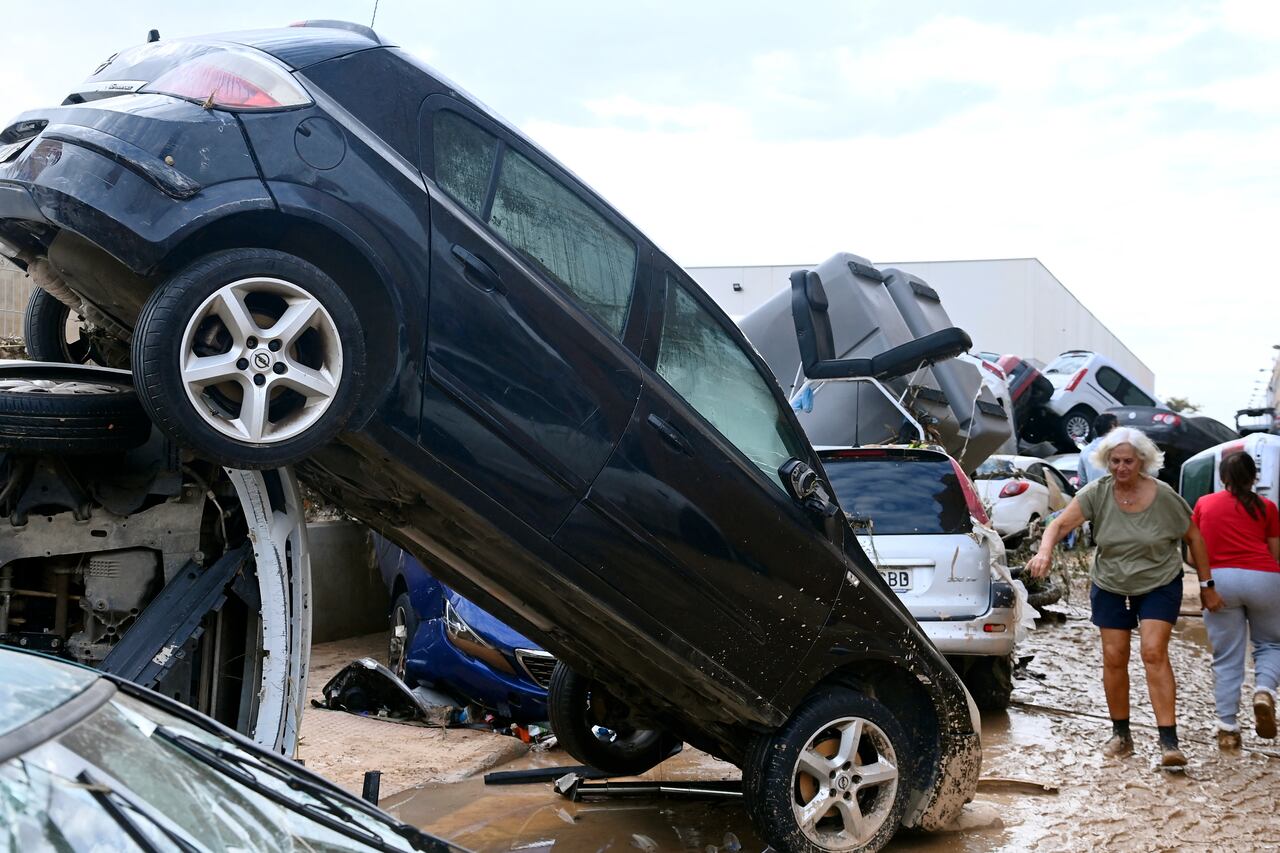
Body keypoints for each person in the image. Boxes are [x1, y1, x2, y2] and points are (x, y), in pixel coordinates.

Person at [1028, 426, 1219, 766]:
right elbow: (1057, 525)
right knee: (1114, 657)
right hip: (1111, 583)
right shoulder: (1097, 493)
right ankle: (1121, 735)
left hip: (1159, 581)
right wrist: (1044, 552)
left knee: (1153, 652)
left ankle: (1169, 743)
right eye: (1114, 461)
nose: (1121, 468)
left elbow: (1195, 538)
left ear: (1142, 461)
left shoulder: (1164, 495)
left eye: (1128, 461)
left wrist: (1207, 586)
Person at [1191, 452, 1280, 751]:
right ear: (1254, 477)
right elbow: (1275, 552)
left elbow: (1193, 553)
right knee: (1271, 644)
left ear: (1222, 477)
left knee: (1227, 656)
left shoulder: (1204, 504)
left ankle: (1228, 728)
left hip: (1219, 582)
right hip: (1264, 579)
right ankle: (1264, 691)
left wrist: (1207, 578)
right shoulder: (1268, 507)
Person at [1077, 412, 1119, 486]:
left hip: (1093, 495)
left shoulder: (1085, 451)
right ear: (1113, 427)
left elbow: (1082, 481)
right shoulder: (1119, 449)